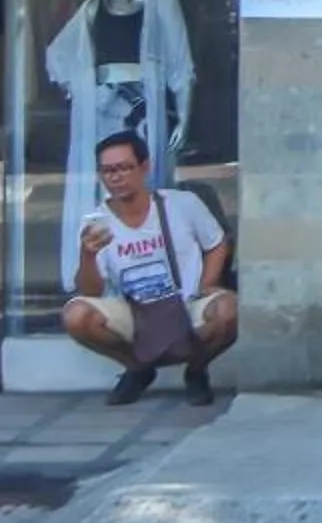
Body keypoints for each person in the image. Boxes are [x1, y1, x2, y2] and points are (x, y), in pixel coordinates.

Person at [59, 129, 234, 406]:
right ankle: (138, 368)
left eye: (124, 168)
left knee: (229, 310)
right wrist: (88, 255)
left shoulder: (181, 204)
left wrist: (207, 283)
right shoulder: (97, 221)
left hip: (186, 301)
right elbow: (90, 291)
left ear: (144, 167)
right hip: (134, 310)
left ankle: (197, 370)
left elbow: (216, 243)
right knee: (76, 315)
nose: (116, 177)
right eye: (108, 171)